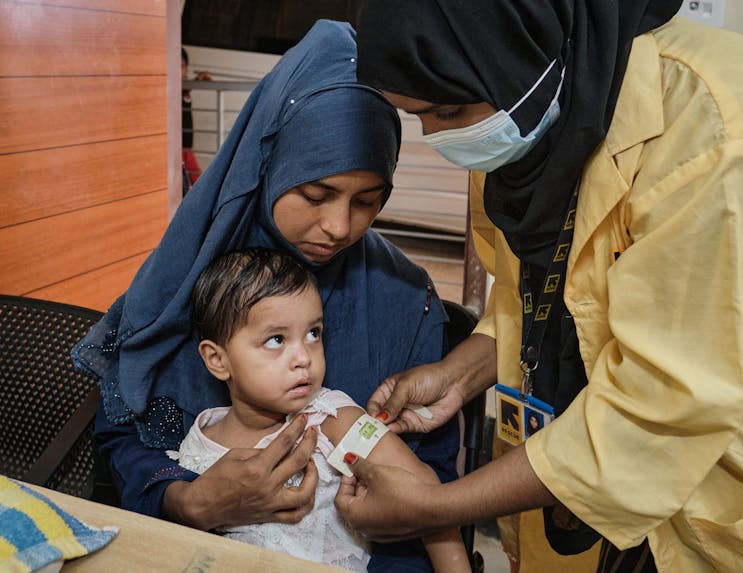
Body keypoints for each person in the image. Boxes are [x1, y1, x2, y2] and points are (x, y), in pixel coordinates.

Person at [334, 2, 743, 572]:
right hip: (625, 470)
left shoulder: (719, 133)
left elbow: (661, 404)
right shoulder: (529, 112)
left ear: (523, 49)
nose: (439, 136)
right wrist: (457, 376)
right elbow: (531, 292)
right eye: (418, 117)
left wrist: (436, 507)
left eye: (449, 109)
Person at [73, 20, 461, 572]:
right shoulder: (187, 279)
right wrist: (189, 499)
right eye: (316, 193)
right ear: (272, 163)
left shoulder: (405, 297)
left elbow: (430, 486)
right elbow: (121, 438)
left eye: (368, 201)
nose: (338, 226)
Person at [167, 247, 469, 572]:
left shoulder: (332, 419)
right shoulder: (199, 440)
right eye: (276, 340)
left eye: (313, 334)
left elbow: (424, 493)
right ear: (217, 359)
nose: (304, 358)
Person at [181, 47, 211, 189]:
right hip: (180, 150)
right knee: (194, 181)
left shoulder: (184, 91)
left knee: (195, 179)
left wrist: (197, 80)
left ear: (186, 69)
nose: (179, 71)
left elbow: (184, 91)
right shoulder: (177, 90)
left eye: (181, 67)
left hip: (186, 150)